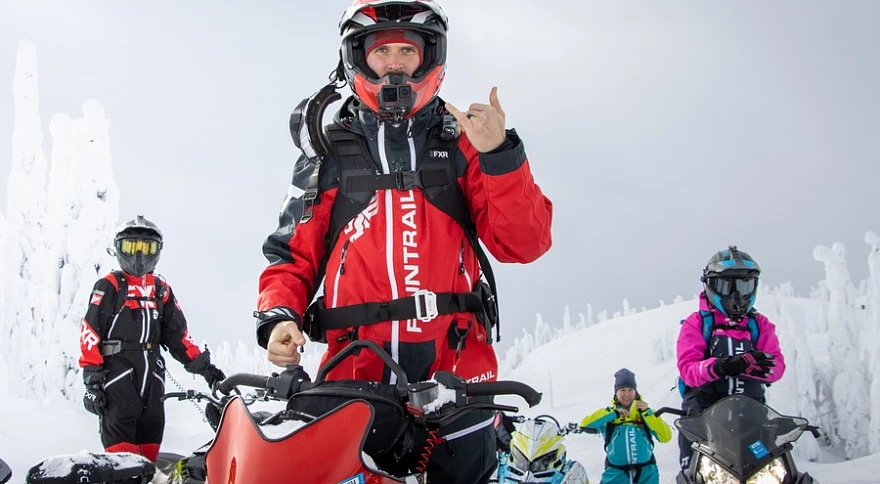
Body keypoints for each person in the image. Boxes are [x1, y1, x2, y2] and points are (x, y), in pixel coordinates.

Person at [254, 1, 553, 482]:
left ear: (428, 57)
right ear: (358, 58)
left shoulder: (468, 143)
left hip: (460, 390)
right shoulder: (329, 152)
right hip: (354, 386)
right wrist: (279, 317)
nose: (394, 63)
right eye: (382, 51)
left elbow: (525, 242)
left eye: (406, 51)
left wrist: (499, 155)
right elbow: (291, 255)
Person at [78, 215, 226, 463]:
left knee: (151, 436)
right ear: (118, 248)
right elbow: (90, 332)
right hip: (118, 372)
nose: (138, 255)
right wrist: (92, 381)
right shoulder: (110, 285)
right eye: (131, 247)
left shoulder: (161, 289)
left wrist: (205, 368)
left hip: (152, 373)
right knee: (121, 451)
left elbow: (179, 336)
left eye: (146, 248)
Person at [676, 245, 786, 471]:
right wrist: (722, 366)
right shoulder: (698, 323)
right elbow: (688, 370)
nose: (737, 296)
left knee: (772, 472)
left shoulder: (759, 324)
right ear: (711, 286)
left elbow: (776, 368)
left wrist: (749, 365)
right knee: (694, 475)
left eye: (745, 286)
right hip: (704, 421)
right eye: (727, 286)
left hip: (752, 420)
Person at [579, 369, 671, 484]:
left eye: (630, 390)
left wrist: (648, 414)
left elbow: (665, 437)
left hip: (646, 475)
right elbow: (584, 425)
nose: (627, 394)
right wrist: (615, 413)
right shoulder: (608, 414)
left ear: (635, 392)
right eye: (622, 390)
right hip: (615, 475)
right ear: (616, 393)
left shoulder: (646, 413)